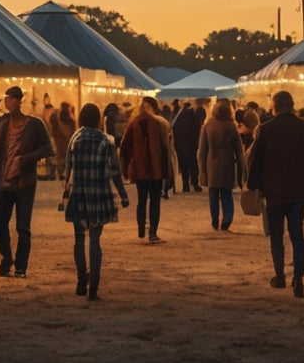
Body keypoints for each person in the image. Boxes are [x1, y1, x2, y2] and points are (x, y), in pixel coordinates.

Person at [249, 90, 304, 298]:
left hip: (273, 191)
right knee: (297, 234)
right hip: (297, 190)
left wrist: (253, 186)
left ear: (274, 107)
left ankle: (280, 275)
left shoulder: (265, 129)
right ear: (291, 105)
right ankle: (298, 276)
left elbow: (256, 162)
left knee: (276, 235)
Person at [60, 103, 130, 301]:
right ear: (99, 120)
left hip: (79, 193)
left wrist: (65, 193)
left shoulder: (75, 139)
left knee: (79, 239)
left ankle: (81, 278)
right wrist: (124, 196)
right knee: (95, 240)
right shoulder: (106, 141)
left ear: (81, 120)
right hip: (99, 195)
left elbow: (68, 170)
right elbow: (116, 172)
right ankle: (94, 287)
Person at [0, 85, 54, 278]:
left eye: (11, 99)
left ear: (18, 101)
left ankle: (21, 266)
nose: (7, 102)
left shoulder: (34, 124)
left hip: (25, 183)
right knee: (0, 223)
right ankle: (7, 258)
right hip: (4, 182)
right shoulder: (0, 124)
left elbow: (47, 148)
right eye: (5, 99)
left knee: (22, 227)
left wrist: (25, 160)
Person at [118, 96, 170, 243]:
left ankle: (141, 228)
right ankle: (152, 232)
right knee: (155, 201)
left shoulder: (133, 124)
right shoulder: (160, 124)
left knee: (142, 200)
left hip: (140, 168)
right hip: (156, 169)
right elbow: (165, 148)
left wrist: (125, 166)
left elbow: (125, 146)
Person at [197, 100, 244, 231]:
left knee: (213, 195)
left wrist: (202, 169)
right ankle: (227, 220)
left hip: (212, 162)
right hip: (228, 162)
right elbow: (239, 150)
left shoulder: (207, 126)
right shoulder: (231, 127)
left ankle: (214, 221)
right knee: (226, 194)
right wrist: (242, 168)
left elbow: (202, 150)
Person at [171, 98, 204, 192]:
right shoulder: (184, 112)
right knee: (191, 162)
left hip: (183, 142)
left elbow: (175, 126)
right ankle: (192, 183)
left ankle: (187, 184)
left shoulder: (185, 112)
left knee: (185, 163)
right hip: (190, 142)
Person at [52, 102, 77, 182]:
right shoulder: (72, 121)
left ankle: (60, 175)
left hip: (60, 143)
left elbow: (53, 131)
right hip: (68, 143)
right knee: (68, 160)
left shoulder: (56, 119)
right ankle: (67, 175)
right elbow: (74, 132)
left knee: (60, 159)